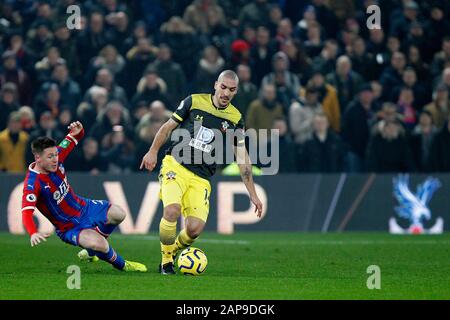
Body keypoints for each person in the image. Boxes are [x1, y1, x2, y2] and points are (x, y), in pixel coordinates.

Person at [140, 70, 263, 275]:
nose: (226, 93)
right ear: (216, 84)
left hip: (202, 176)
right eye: (223, 87)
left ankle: (171, 251)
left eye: (231, 90)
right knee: (171, 210)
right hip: (175, 165)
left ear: (236, 91)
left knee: (194, 229)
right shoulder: (193, 101)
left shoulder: (235, 118)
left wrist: (253, 193)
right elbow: (168, 127)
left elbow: (242, 157)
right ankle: (166, 262)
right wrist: (152, 151)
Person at [21, 121, 147, 272]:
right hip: (68, 227)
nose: (55, 159)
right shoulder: (32, 183)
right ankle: (123, 265)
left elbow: (75, 137)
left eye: (55, 154)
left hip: (84, 207)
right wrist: (33, 232)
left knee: (119, 213)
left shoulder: (57, 156)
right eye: (50, 156)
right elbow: (26, 212)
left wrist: (79, 130)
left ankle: (92, 252)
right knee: (101, 245)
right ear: (38, 158)